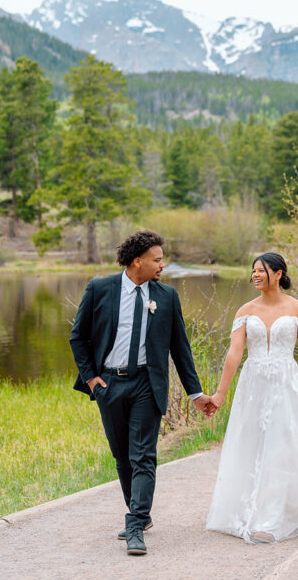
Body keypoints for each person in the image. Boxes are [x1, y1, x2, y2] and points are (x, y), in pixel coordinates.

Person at [70, 230, 212, 556]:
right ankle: (141, 513)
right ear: (137, 261)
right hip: (109, 384)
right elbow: (78, 338)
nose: (163, 265)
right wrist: (91, 380)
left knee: (143, 455)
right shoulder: (100, 289)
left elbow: (180, 349)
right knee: (122, 456)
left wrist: (195, 393)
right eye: (157, 260)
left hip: (148, 383)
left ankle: (135, 525)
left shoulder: (167, 296)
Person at [206, 252, 298, 544]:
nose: (255, 275)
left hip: (287, 385)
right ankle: (248, 508)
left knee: (282, 446)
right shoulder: (245, 311)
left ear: (278, 273)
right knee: (251, 443)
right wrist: (220, 394)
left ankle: (271, 518)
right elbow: (234, 354)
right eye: (253, 271)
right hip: (253, 387)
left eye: (261, 270)